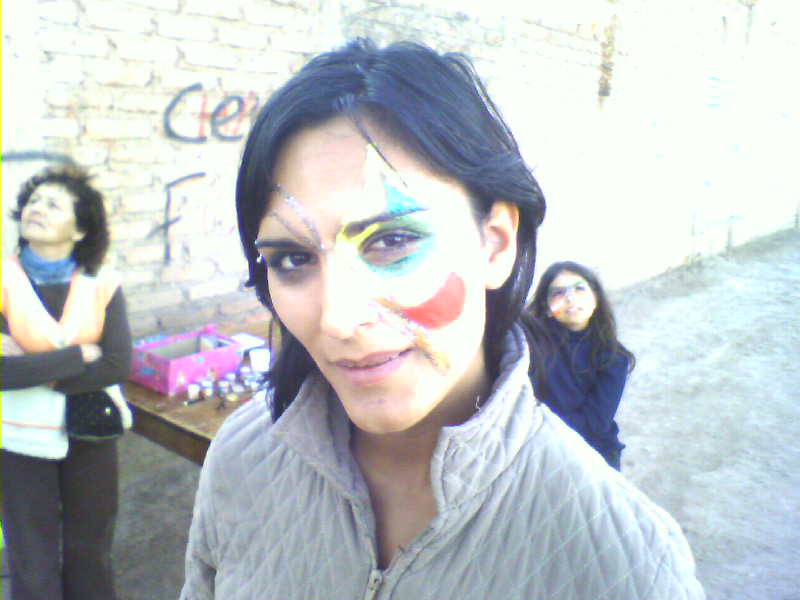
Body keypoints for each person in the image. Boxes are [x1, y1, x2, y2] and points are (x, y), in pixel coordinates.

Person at [182, 39, 705, 599]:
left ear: (495, 244)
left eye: (392, 241)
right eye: (291, 260)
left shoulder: (628, 567)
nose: (336, 318)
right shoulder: (241, 455)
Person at [1, 166, 132, 600]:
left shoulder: (103, 283)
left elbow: (117, 364)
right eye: (33, 201)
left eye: (53, 204)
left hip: (91, 431)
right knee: (31, 552)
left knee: (90, 548)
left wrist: (34, 371)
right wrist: (76, 357)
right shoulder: (4, 279)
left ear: (79, 230)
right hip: (19, 438)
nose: (37, 208)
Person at [529, 261, 635, 470]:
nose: (570, 297)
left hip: (592, 452)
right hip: (539, 449)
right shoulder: (531, 345)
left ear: (596, 299)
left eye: (579, 288)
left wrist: (537, 427)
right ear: (548, 308)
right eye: (558, 292)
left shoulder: (613, 357)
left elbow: (593, 424)